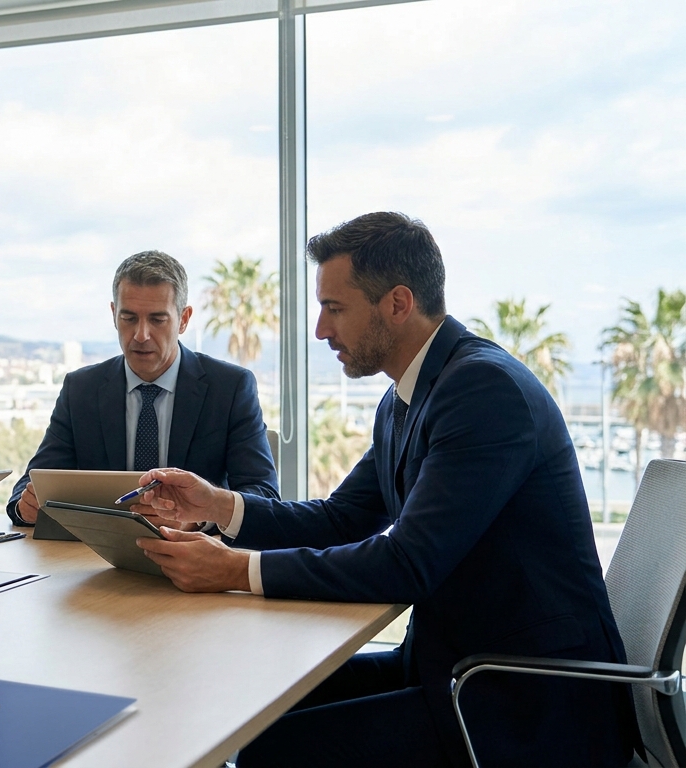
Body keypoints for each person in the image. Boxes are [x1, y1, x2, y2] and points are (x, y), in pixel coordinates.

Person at [133, 213, 636, 767]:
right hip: (447, 667)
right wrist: (220, 505)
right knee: (252, 709)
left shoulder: (482, 391)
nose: (321, 331)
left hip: (523, 699)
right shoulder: (409, 395)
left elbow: (407, 564)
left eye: (334, 308)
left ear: (398, 304)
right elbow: (342, 519)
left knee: (274, 749)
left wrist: (234, 570)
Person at [6, 250, 278, 527]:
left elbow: (263, 495)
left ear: (183, 319)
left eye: (157, 320)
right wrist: (24, 507)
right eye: (129, 318)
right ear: (114, 314)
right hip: (94, 554)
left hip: (193, 553)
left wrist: (197, 519)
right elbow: (33, 482)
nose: (141, 335)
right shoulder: (81, 389)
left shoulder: (229, 388)